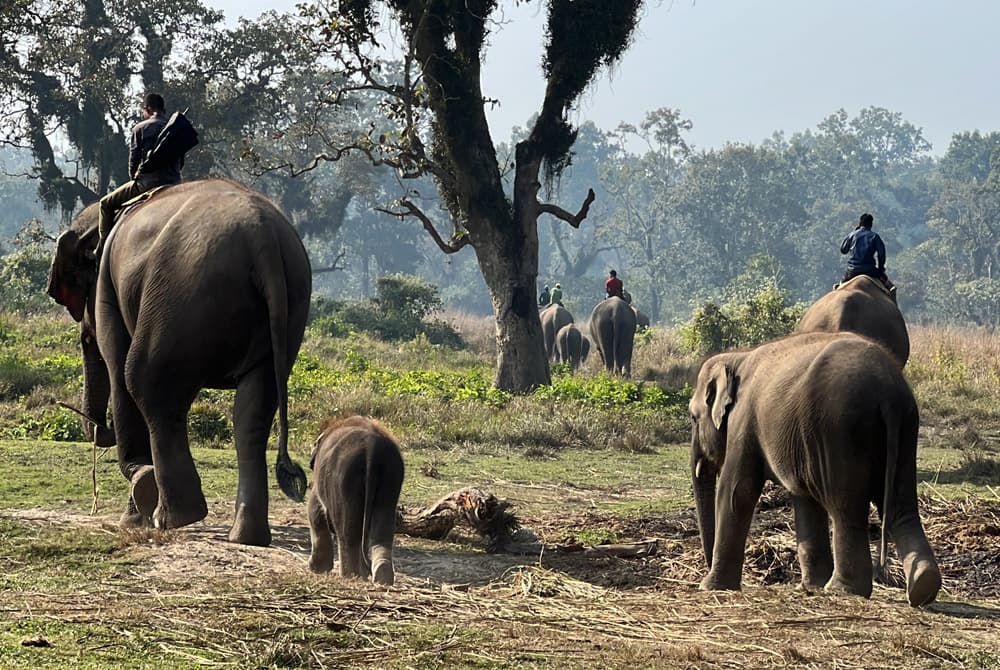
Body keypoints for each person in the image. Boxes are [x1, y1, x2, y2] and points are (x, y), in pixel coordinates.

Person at [96, 93, 183, 256]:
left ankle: (102, 251)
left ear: (148, 109)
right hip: (175, 183)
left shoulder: (139, 129)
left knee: (105, 204)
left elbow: (133, 161)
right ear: (163, 110)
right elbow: (181, 161)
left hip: (147, 183)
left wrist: (135, 178)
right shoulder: (175, 129)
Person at [840, 213, 894, 290]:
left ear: (860, 223)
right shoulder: (875, 236)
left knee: (839, 286)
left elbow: (843, 250)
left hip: (852, 270)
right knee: (890, 288)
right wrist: (881, 269)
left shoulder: (852, 235)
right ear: (871, 224)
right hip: (870, 270)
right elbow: (881, 254)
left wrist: (853, 233)